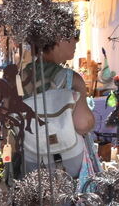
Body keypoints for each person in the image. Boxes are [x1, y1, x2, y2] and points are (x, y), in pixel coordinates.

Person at [19, 23, 96, 178]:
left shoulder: (20, 78)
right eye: (74, 35)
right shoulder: (71, 79)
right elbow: (82, 124)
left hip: (31, 159)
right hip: (68, 160)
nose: (76, 42)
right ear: (58, 39)